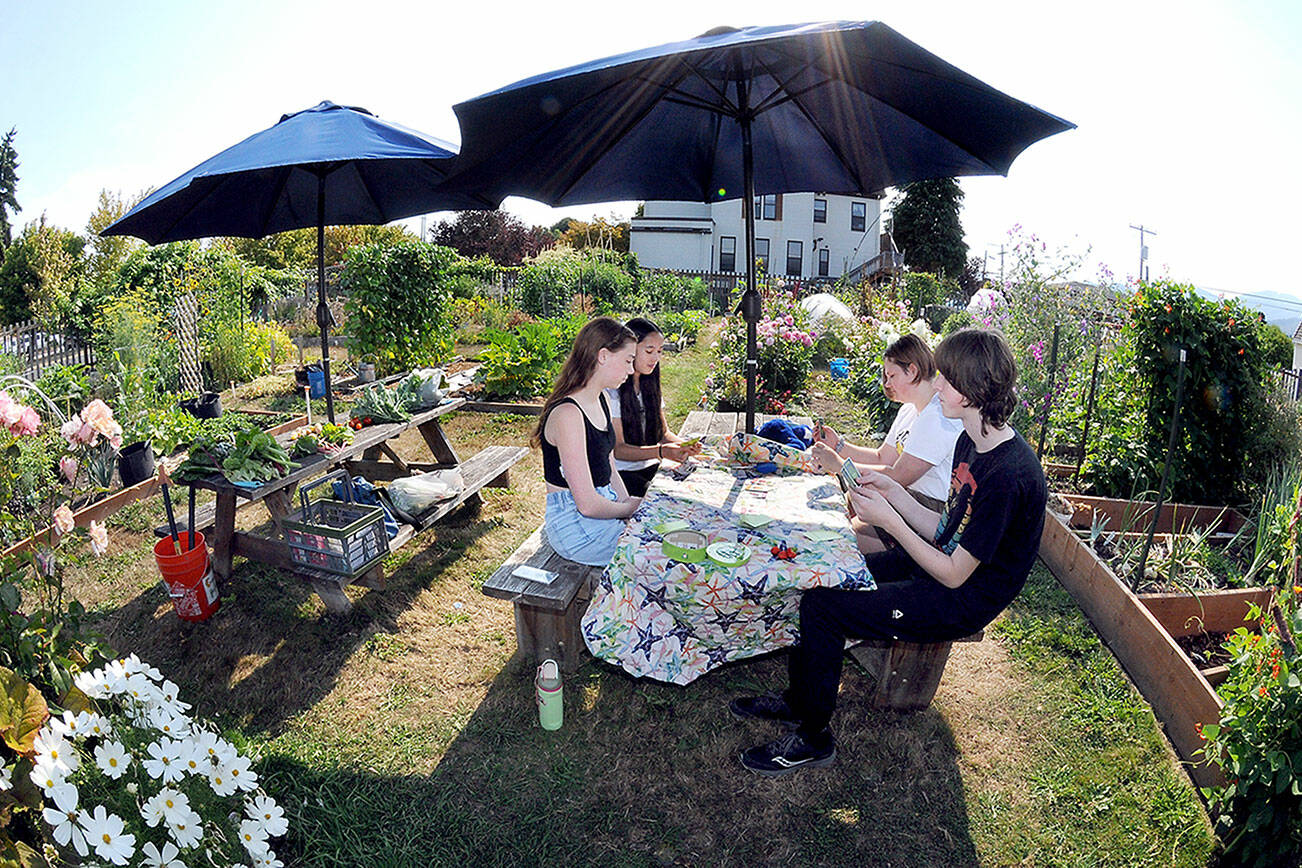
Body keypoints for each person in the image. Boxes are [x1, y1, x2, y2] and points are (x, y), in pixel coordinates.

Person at [730, 329, 1048, 776]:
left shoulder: (1010, 474)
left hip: (964, 599)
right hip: (940, 566)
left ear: (975, 391)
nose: (937, 385)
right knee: (825, 578)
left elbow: (956, 573)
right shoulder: (969, 442)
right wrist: (893, 492)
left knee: (826, 609)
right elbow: (944, 529)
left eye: (948, 379)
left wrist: (889, 520)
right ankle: (798, 702)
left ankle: (814, 738)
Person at [812, 334, 963, 553]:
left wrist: (839, 465)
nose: (887, 383)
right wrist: (839, 446)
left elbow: (897, 475)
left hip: (929, 511)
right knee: (838, 511)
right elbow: (882, 458)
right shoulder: (910, 410)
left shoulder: (937, 417)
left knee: (837, 539)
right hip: (905, 497)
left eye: (891, 375)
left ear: (912, 371)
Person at [533, 317, 643, 566]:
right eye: (627, 360)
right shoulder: (568, 415)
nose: (630, 369)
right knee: (653, 558)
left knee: (660, 540)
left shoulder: (601, 398)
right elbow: (587, 505)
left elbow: (610, 465)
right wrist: (630, 508)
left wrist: (628, 505)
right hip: (576, 529)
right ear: (603, 356)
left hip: (604, 511)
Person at [605, 317, 702, 497]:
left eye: (659, 351)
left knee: (697, 487)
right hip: (622, 476)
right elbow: (619, 449)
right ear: (630, 349)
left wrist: (685, 446)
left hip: (652, 467)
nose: (656, 358)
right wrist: (661, 451)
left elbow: (663, 434)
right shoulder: (613, 393)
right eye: (649, 351)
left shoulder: (649, 386)